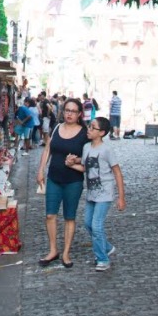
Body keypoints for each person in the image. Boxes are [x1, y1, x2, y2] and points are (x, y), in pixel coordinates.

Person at [36, 97, 89, 268]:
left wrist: (76, 160)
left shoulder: (84, 134)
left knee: (69, 216)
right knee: (50, 214)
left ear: (79, 114)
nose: (69, 114)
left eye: (73, 111)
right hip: (54, 178)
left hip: (73, 181)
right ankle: (53, 249)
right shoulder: (57, 127)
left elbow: (89, 159)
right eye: (67, 110)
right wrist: (41, 169)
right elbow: (48, 149)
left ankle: (66, 252)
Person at [70, 117, 126, 270]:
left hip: (105, 193)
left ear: (101, 132)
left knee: (96, 225)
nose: (88, 129)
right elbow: (85, 168)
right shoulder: (86, 147)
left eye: (92, 127)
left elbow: (117, 173)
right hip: (91, 193)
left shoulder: (107, 150)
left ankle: (103, 259)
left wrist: (121, 198)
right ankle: (107, 247)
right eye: (89, 126)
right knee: (88, 223)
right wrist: (71, 164)